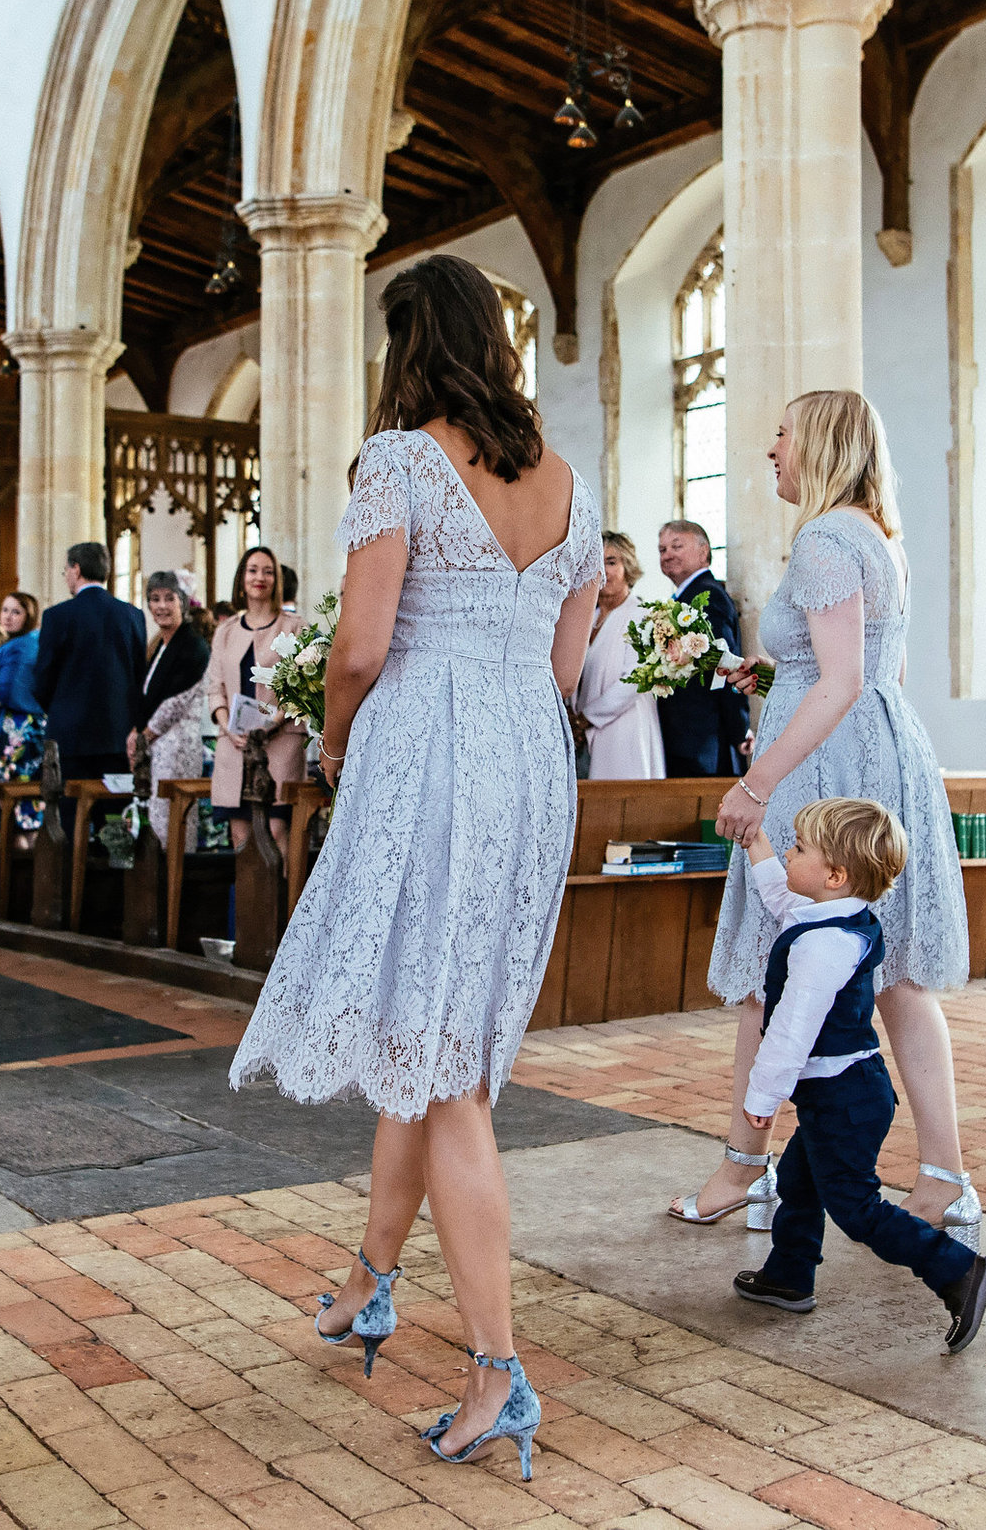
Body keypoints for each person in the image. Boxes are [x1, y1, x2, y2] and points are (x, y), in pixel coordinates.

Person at [229, 253, 602, 1481]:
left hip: (426, 752)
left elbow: (361, 642)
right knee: (426, 1029)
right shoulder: (565, 482)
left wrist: (336, 741)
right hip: (523, 762)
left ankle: (496, 1369)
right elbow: (563, 664)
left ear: (410, 345)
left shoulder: (397, 458)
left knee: (447, 1075)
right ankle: (370, 1282)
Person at [672, 390, 976, 1247]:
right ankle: (946, 1179)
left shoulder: (824, 536)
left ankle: (742, 1164)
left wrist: (757, 785)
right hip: (879, 751)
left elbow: (838, 683)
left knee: (773, 971)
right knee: (898, 978)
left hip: (825, 766)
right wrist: (769, 684)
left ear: (820, 445)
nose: (772, 449)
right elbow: (871, 673)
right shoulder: (878, 536)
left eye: (781, 433)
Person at [727, 799, 986, 1351]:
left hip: (843, 1098)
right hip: (846, 1092)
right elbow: (782, 896)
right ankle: (788, 1274)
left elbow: (791, 1030)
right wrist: (757, 846)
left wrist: (761, 1098)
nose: (790, 854)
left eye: (798, 848)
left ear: (834, 875)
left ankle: (956, 1271)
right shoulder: (829, 916)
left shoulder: (825, 947)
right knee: (801, 1182)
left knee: (856, 1208)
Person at [204, 545, 306, 849]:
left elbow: (300, 687)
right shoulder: (225, 630)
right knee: (240, 837)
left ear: (277, 580)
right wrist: (226, 727)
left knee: (275, 832)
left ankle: (284, 899)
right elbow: (215, 687)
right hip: (235, 745)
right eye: (252, 570)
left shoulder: (294, 626)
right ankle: (248, 900)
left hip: (279, 742)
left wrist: (270, 724)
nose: (259, 577)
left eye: (268, 571)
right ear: (241, 578)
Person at [32, 542, 145, 784]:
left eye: (66, 571)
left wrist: (61, 708)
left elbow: (43, 677)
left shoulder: (57, 616)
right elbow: (139, 676)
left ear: (76, 569)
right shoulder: (132, 615)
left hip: (71, 735)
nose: (67, 578)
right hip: (119, 734)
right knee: (116, 814)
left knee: (72, 816)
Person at [654, 520, 749, 777]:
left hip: (704, 738)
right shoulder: (682, 599)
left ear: (703, 550)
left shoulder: (708, 596)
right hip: (687, 735)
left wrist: (739, 728)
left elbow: (726, 664)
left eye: (677, 546)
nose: (668, 554)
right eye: (662, 550)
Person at [571, 532, 666, 780]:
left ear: (628, 566)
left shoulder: (641, 614)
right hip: (583, 734)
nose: (602, 571)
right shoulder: (587, 617)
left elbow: (635, 680)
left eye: (611, 562)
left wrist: (585, 719)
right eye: (595, 562)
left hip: (625, 731)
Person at [130, 570, 209, 841]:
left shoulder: (192, 645)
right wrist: (136, 732)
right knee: (153, 819)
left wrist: (144, 735)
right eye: (154, 599)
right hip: (154, 744)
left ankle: (174, 878)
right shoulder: (161, 646)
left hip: (176, 746)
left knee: (171, 823)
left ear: (182, 602)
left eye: (168, 598)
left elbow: (176, 701)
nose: (161, 606)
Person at [0, 593, 45, 826]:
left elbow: (5, 693)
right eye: (5, 610)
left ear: (29, 616)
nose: (8, 617)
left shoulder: (20, 647)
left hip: (14, 731)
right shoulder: (26, 642)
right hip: (24, 727)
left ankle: (9, 853)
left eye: (16, 612)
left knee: (9, 801)